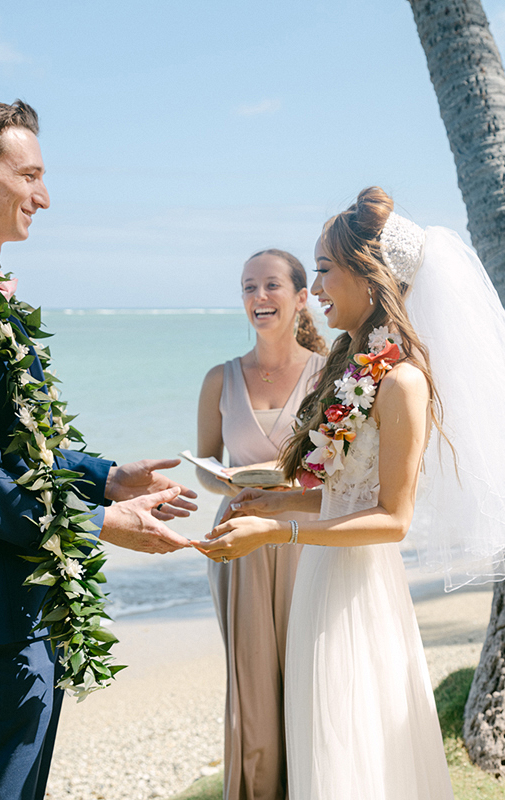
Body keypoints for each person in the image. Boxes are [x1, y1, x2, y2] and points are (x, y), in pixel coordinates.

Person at [195, 187, 505, 799]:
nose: (318, 288)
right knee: (322, 741)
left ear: (370, 274)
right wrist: (275, 501)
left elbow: (392, 518)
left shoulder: (401, 381)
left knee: (353, 745)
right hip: (320, 581)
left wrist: (279, 531)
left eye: (325, 270)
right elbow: (339, 493)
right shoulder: (351, 367)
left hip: (359, 592)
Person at [0, 93, 198, 800]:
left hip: (8, 603)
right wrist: (101, 526)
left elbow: (11, 445)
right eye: (28, 176)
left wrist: (108, 477)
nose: (44, 197)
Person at [194, 248, 327, 800]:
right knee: (251, 683)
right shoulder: (218, 379)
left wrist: (288, 482)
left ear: (300, 298)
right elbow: (206, 468)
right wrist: (224, 480)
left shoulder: (330, 375)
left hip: (308, 539)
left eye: (271, 285)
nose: (258, 297)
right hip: (241, 540)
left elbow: (343, 471)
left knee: (310, 672)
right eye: (249, 287)